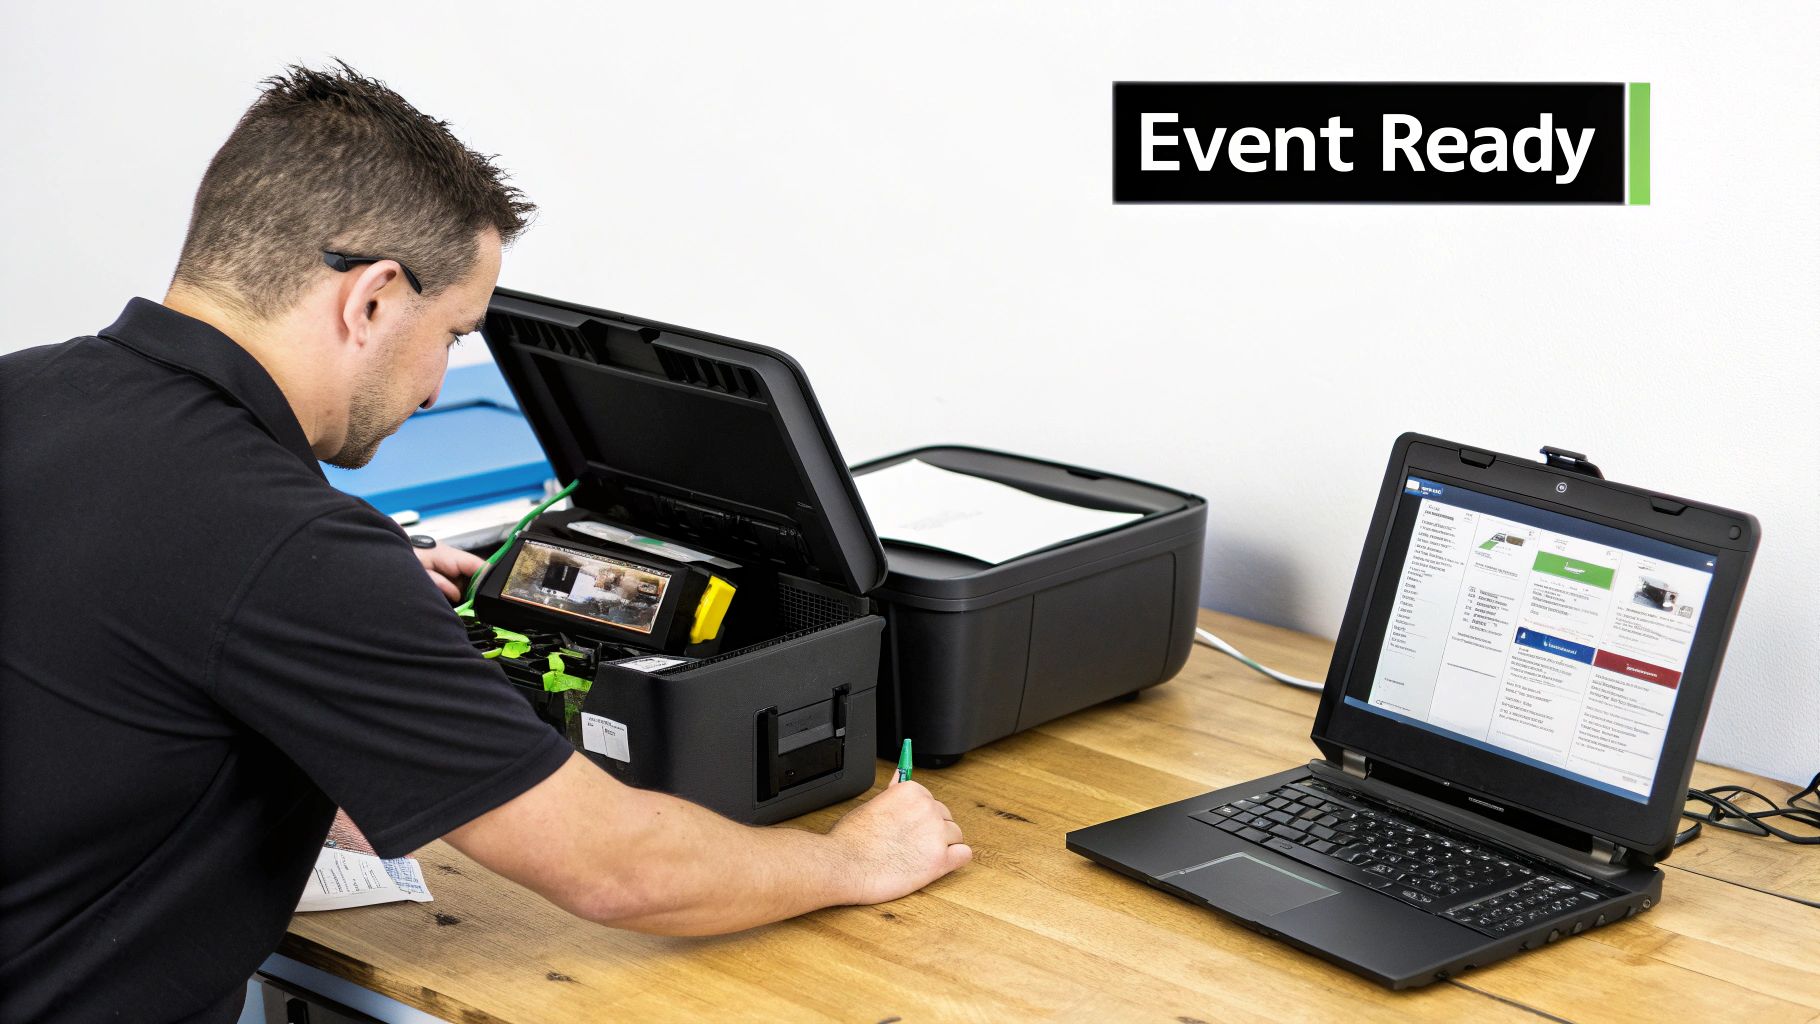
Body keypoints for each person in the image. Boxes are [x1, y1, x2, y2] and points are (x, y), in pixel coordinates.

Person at [0, 62, 969, 1023]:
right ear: (372, 299)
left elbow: (99, 639)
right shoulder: (285, 548)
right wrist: (854, 858)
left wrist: (327, 624)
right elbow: (617, 869)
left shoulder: (27, 391)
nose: (432, 389)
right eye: (455, 333)